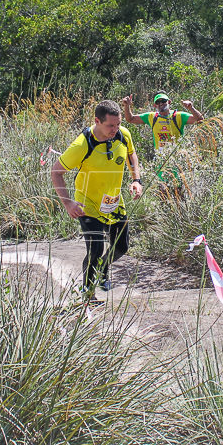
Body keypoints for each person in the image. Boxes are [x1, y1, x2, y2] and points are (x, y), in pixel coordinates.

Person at [51, 100, 143, 302]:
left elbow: (131, 154)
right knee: (95, 249)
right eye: (110, 125)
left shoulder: (122, 134)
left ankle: (103, 267)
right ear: (97, 121)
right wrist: (68, 203)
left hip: (114, 202)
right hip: (87, 205)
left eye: (118, 124)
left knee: (122, 247)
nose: (115, 129)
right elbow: (56, 172)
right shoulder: (82, 144)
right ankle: (88, 293)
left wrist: (136, 179)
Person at [121, 92, 203, 193]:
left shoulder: (178, 116)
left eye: (163, 101)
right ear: (154, 105)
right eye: (158, 102)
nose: (161, 104)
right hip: (161, 162)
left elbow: (199, 120)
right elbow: (131, 119)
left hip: (177, 161)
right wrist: (127, 106)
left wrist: (191, 108)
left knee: (179, 192)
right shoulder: (152, 117)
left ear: (169, 102)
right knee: (162, 192)